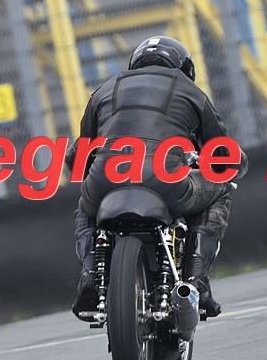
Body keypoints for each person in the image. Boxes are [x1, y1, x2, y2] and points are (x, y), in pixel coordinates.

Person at [68, 35, 248, 320]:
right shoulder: (191, 91)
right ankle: (197, 280)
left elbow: (77, 156)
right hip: (165, 180)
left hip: (105, 180)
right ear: (183, 68)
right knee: (221, 188)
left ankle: (90, 275)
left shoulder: (104, 90)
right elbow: (223, 153)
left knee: (85, 207)